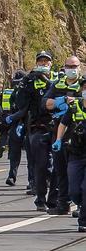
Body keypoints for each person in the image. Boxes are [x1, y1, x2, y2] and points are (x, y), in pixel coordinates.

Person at [8, 51, 58, 211]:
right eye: (40, 61)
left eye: (46, 61)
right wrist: (27, 82)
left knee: (59, 166)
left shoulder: (58, 80)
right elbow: (21, 103)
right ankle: (40, 199)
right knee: (41, 165)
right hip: (38, 127)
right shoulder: (29, 81)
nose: (43, 64)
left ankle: (56, 199)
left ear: (51, 64)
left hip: (58, 127)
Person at [43, 55, 83, 215]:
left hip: (80, 133)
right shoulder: (57, 85)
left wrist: (75, 100)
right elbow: (45, 103)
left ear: (79, 67)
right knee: (60, 169)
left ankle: (82, 205)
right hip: (60, 131)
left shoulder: (83, 84)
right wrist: (60, 101)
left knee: (79, 171)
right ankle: (63, 203)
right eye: (69, 66)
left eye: (75, 66)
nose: (72, 69)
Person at [53, 77, 86, 232]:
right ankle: (80, 204)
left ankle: (83, 220)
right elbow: (63, 123)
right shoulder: (75, 106)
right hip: (76, 153)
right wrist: (59, 139)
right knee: (74, 191)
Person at [0, 70, 27, 185]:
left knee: (32, 154)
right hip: (15, 123)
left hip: (29, 123)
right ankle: (12, 176)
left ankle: (32, 180)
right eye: (16, 82)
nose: (18, 84)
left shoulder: (30, 91)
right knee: (14, 152)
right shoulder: (12, 93)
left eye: (19, 82)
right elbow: (4, 106)